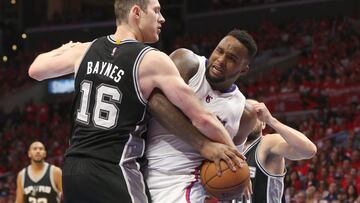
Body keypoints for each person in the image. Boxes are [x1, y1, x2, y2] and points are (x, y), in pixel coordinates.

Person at [28, 0, 244, 202]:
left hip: (73, 170)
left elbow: (36, 70)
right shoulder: (151, 59)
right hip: (114, 169)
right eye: (156, 10)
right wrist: (236, 158)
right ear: (136, 13)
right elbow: (202, 118)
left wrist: (67, 48)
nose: (162, 18)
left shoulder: (85, 50)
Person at [145, 29, 258, 203]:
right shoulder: (187, 62)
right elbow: (156, 102)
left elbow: (229, 161)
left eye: (232, 58)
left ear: (244, 69)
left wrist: (236, 179)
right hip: (140, 165)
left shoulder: (245, 114)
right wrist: (202, 144)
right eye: (219, 51)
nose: (221, 60)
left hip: (183, 182)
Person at [234, 99, 317, 203]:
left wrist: (271, 120)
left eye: (256, 114)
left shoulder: (267, 142)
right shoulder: (231, 149)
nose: (251, 118)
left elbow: (309, 150)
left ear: (264, 123)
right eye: (245, 113)